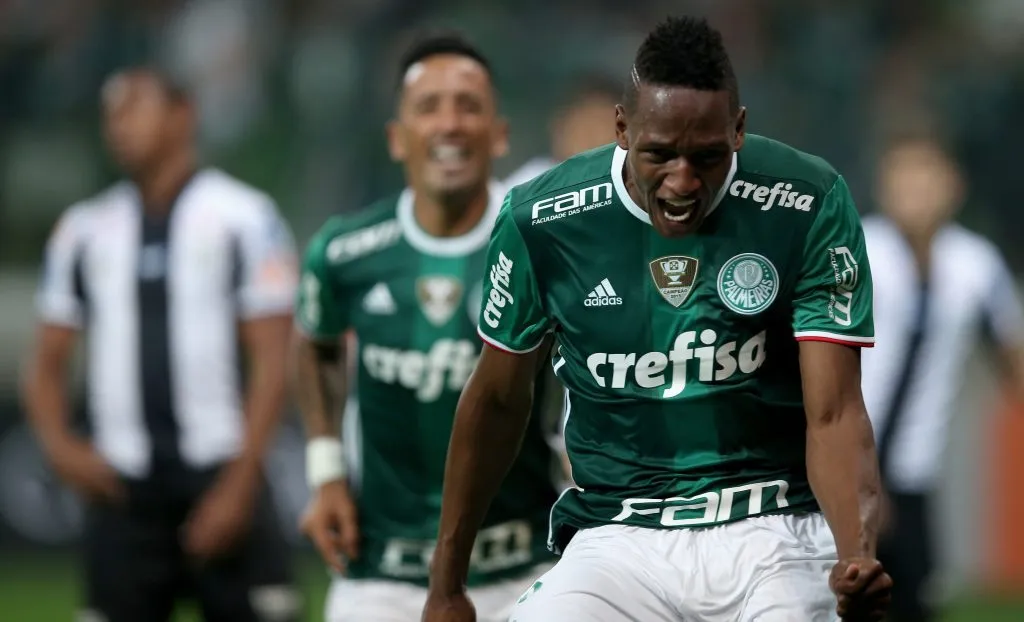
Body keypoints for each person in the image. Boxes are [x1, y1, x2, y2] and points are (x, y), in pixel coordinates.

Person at [424, 16, 893, 622]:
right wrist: (446, 581)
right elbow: (494, 403)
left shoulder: (806, 202)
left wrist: (856, 558)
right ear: (621, 128)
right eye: (659, 155)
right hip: (618, 536)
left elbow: (834, 412)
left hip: (775, 531)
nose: (682, 181)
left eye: (706, 157)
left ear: (739, 130)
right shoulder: (541, 220)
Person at [291, 32, 561, 622]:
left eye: (468, 106)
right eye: (428, 107)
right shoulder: (345, 252)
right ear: (396, 137)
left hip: (525, 566)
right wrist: (326, 471)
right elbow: (316, 345)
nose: (449, 124)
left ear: (500, 133)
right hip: (382, 571)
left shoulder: (541, 246)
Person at [21, 67, 300, 622]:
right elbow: (46, 361)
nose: (117, 126)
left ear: (183, 115)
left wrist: (240, 483)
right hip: (121, 492)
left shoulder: (243, 217)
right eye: (110, 114)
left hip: (221, 475)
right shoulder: (85, 229)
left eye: (134, 108)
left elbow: (274, 357)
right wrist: (60, 447)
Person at [861, 134, 1024, 622]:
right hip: (842, 466)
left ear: (954, 186)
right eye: (902, 176)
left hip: (914, 473)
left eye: (926, 174)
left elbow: (1010, 355)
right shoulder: (855, 249)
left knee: (915, 602)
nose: (915, 189)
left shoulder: (976, 264)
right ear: (882, 186)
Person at [503, 73, 621, 189]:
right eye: (587, 129)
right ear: (558, 129)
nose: (596, 141)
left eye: (605, 128)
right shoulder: (524, 191)